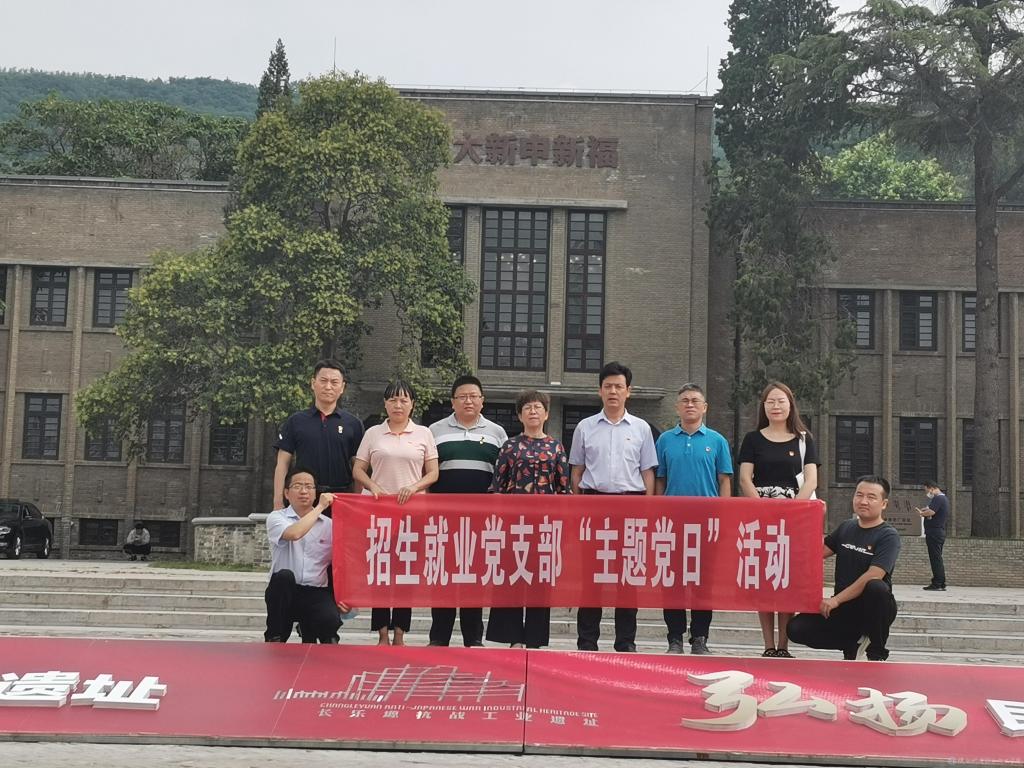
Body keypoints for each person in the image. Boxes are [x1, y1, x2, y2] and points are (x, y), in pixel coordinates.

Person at [570, 361, 658, 653]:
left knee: (627, 577)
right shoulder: (585, 427)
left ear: (628, 391)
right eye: (607, 386)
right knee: (590, 576)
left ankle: (625, 641)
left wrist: (647, 511)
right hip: (593, 503)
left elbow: (647, 472)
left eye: (618, 386)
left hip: (630, 505)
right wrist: (579, 508)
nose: (613, 391)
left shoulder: (642, 428)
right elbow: (577, 471)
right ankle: (587, 641)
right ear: (599, 391)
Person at [353, 379, 439, 646]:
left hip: (412, 514)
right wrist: (372, 485)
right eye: (393, 400)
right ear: (385, 404)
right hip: (377, 513)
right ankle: (381, 632)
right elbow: (358, 469)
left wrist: (414, 487)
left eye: (404, 400)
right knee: (381, 572)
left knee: (405, 574)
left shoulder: (423, 433)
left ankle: (400, 631)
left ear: (412, 404)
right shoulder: (373, 433)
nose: (398, 405)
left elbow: (433, 473)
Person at [738, 381, 819, 658]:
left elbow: (811, 480)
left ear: (790, 405)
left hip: (794, 520)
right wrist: (763, 510)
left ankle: (783, 645)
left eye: (781, 401)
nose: (776, 406)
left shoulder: (804, 440)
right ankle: (768, 645)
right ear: (763, 406)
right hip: (760, 518)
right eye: (770, 401)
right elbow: (745, 478)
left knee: (786, 580)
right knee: (765, 582)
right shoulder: (753, 439)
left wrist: (793, 512)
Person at [427, 375, 508, 647]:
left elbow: (503, 476)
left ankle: (473, 639)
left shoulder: (497, 433)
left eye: (474, 396)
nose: (468, 401)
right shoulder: (434, 431)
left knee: (474, 580)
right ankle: (439, 638)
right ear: (453, 401)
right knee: (444, 579)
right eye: (462, 396)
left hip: (481, 523)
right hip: (443, 522)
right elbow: (427, 472)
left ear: (482, 401)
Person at [486, 390, 571, 649]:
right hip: (513, 525)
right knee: (513, 577)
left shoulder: (556, 447)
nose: (533, 412)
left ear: (546, 414)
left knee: (539, 581)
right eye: (527, 408)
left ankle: (535, 638)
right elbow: (498, 486)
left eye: (537, 407)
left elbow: (563, 488)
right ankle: (512, 637)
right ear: (520, 415)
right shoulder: (509, 446)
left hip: (544, 525)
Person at [787, 475, 901, 661]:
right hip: (844, 609)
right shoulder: (846, 527)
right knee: (795, 628)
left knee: (876, 586)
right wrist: (816, 518)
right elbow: (815, 554)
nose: (863, 501)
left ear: (884, 504)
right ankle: (851, 643)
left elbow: (875, 574)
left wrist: (836, 600)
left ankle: (876, 652)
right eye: (859, 495)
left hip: (874, 609)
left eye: (871, 497)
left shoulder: (888, 536)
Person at [655, 384, 732, 655]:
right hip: (672, 522)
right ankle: (674, 637)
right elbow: (660, 479)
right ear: (677, 407)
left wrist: (723, 515)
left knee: (703, 581)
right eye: (685, 400)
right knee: (672, 581)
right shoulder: (665, 440)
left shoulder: (717, 441)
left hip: (706, 523)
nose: (690, 405)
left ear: (704, 407)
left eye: (695, 401)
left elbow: (724, 481)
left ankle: (700, 637)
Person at [264, 466, 347, 643]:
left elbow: (342, 563)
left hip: (315, 591)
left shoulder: (329, 525)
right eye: (297, 486)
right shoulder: (277, 518)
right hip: (285, 592)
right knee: (283, 577)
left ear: (316, 493)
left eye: (309, 487)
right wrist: (321, 507)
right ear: (286, 493)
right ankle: (275, 636)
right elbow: (295, 533)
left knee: (329, 622)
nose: (304, 491)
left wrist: (345, 598)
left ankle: (309, 627)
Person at [273, 360, 365, 511]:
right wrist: (278, 501)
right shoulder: (296, 421)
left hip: (341, 499)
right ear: (313, 383)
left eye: (334, 382)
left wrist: (357, 501)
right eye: (323, 381)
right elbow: (282, 463)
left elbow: (359, 469)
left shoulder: (353, 424)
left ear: (342, 387)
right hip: (304, 498)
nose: (328, 387)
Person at [918, 480, 948, 591]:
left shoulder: (938, 498)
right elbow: (932, 510)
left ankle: (937, 583)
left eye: (927, 490)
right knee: (937, 558)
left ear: (931, 488)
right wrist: (926, 510)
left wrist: (922, 513)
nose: (927, 493)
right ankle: (941, 582)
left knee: (935, 558)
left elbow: (931, 512)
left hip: (934, 532)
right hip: (937, 532)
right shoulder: (942, 499)